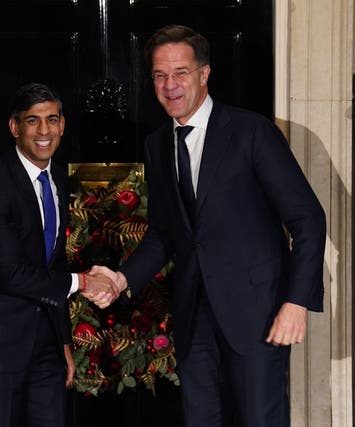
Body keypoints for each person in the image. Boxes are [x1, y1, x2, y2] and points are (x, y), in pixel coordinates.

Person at [91, 25, 327, 426]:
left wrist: (296, 302)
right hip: (193, 313)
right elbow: (165, 232)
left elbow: (307, 218)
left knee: (259, 419)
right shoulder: (157, 144)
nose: (170, 85)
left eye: (181, 72)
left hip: (258, 311)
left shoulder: (252, 132)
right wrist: (121, 279)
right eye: (160, 75)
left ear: (204, 74)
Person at [0, 82, 119, 427]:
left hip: (46, 348)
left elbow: (53, 264)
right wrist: (84, 281)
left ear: (62, 125)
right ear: (15, 127)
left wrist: (64, 344)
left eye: (51, 120)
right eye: (33, 121)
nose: (44, 131)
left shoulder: (56, 177)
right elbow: (8, 273)